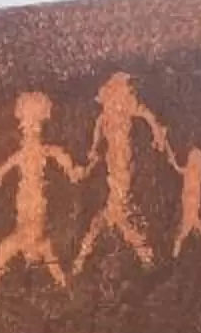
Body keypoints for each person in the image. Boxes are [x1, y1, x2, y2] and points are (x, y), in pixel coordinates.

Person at [72, 71, 173, 276]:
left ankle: (83, 257)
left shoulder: (126, 110)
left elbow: (146, 115)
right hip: (114, 169)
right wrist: (92, 157)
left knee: (111, 216)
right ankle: (145, 255)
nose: (115, 99)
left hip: (122, 170)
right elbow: (95, 143)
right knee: (113, 215)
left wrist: (157, 134)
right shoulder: (104, 118)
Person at [0, 91, 81, 293]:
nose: (31, 130)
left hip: (31, 208)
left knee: (5, 251)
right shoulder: (41, 246)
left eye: (34, 124)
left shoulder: (33, 244)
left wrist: (73, 169)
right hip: (31, 207)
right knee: (6, 252)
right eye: (28, 125)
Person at [171, 143, 201, 258]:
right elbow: (177, 168)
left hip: (194, 201)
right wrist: (172, 160)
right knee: (191, 223)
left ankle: (178, 247)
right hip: (188, 200)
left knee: (192, 223)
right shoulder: (188, 171)